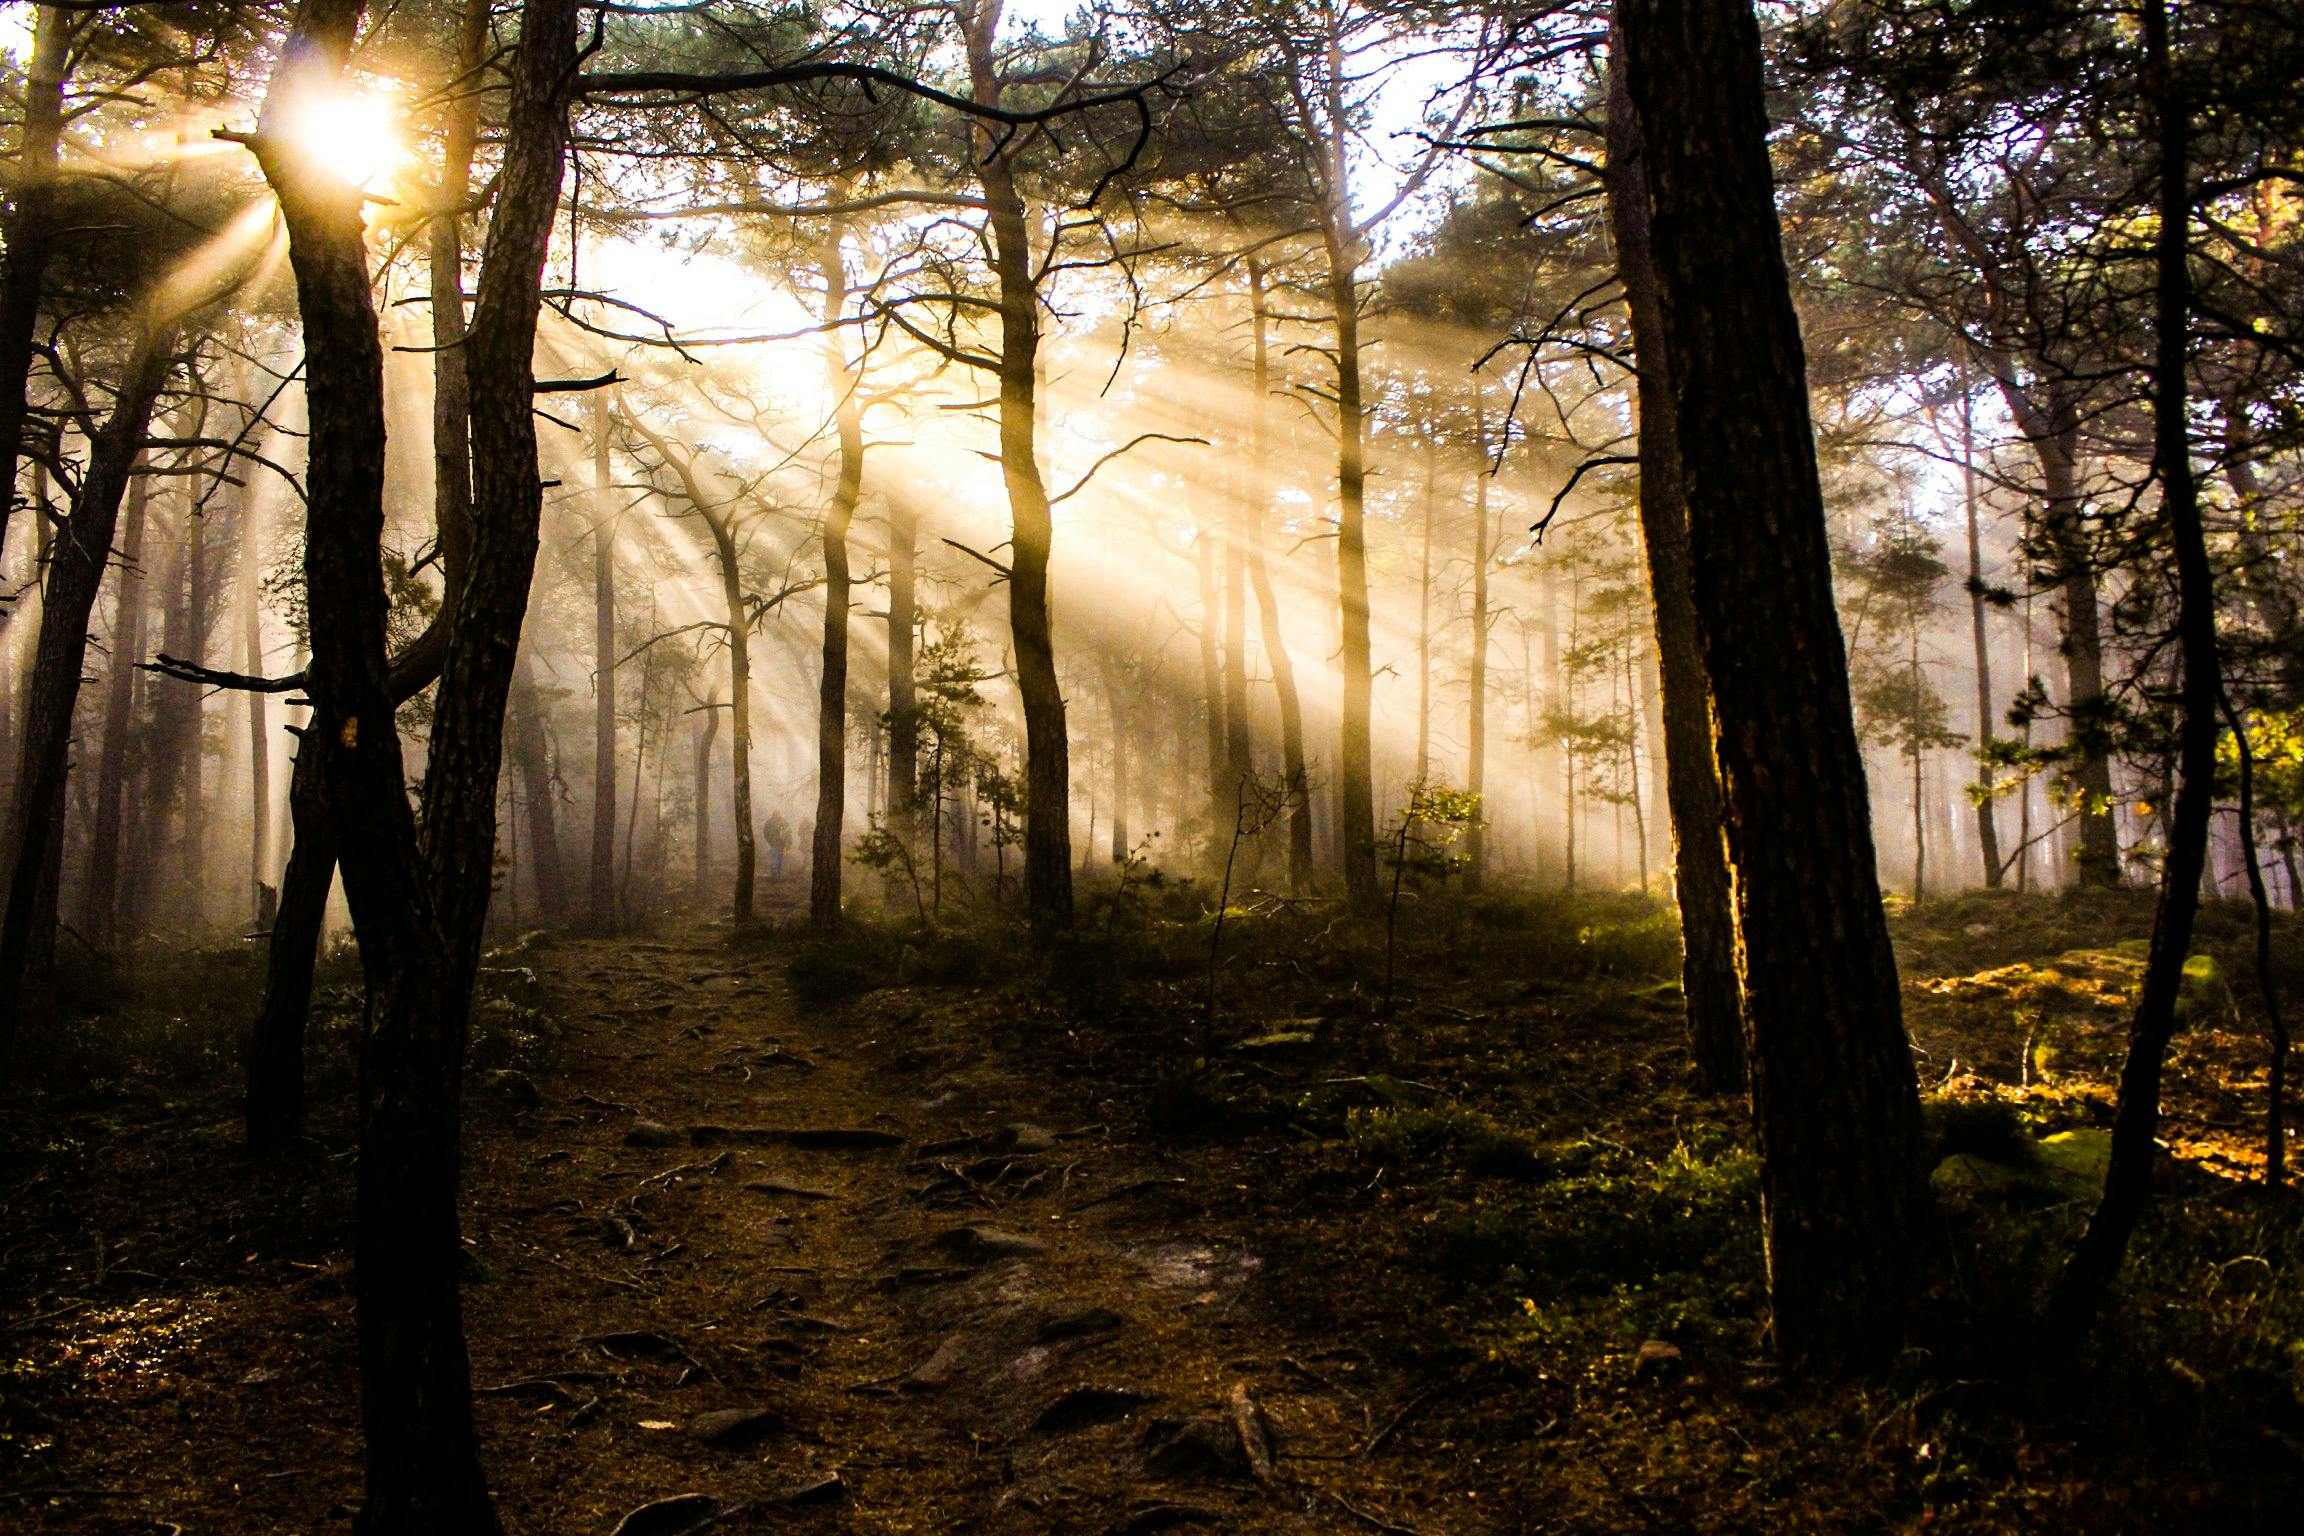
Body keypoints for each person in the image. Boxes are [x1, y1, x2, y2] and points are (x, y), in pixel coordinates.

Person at [762, 809, 792, 877]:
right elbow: (789, 832)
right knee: (777, 856)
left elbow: (788, 832)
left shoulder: (773, 822)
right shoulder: (780, 821)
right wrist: (788, 842)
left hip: (778, 843)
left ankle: (776, 870)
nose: (777, 815)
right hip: (778, 843)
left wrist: (769, 840)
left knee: (777, 856)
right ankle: (777, 870)